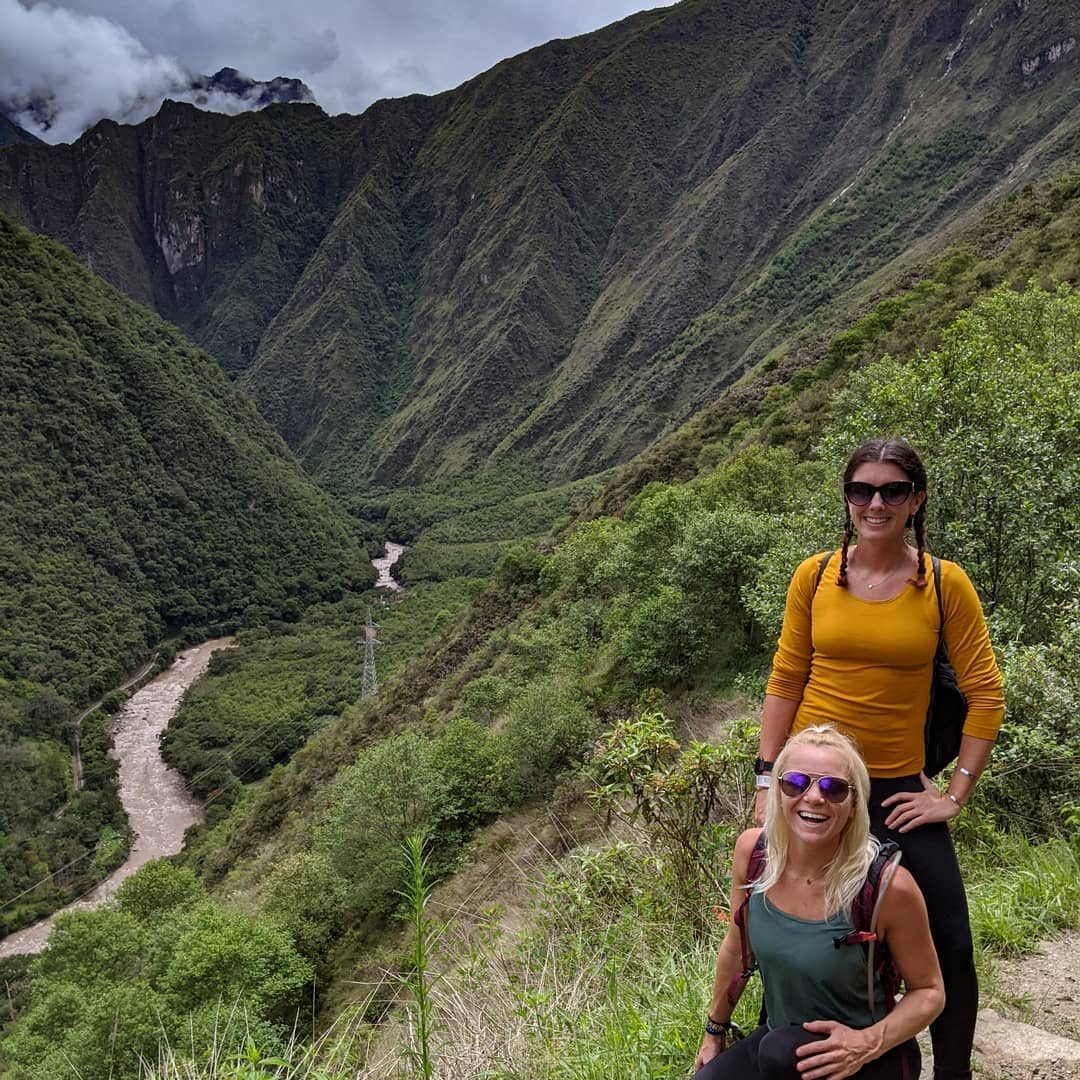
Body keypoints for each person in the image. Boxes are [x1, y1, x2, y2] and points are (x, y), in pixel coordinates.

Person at [755, 437, 1004, 1080]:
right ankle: (780, 1055)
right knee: (787, 930)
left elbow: (986, 694)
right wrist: (767, 779)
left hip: (894, 789)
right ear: (846, 498)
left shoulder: (943, 584)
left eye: (893, 490)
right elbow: (786, 679)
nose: (876, 503)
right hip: (814, 784)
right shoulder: (814, 576)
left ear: (916, 501)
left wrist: (953, 795)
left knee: (950, 945)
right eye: (862, 489)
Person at [693, 725, 944, 1079]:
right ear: (778, 791)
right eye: (795, 783)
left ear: (854, 803)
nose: (813, 797)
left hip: (867, 1056)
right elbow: (738, 949)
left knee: (781, 1053)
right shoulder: (753, 855)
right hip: (783, 1042)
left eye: (833, 788)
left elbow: (930, 992)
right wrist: (714, 1031)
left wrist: (864, 1044)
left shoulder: (887, 887)